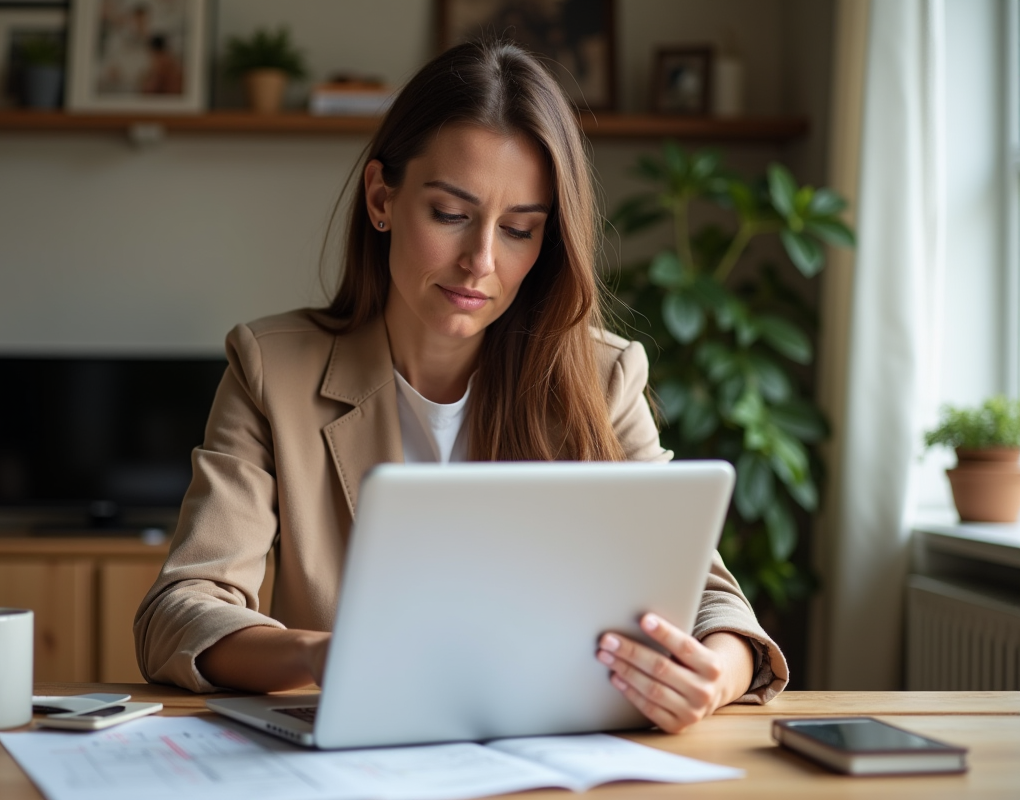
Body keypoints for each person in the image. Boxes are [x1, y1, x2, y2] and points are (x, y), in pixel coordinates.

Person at [134, 39, 789, 734]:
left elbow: (713, 601)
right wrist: (326, 656)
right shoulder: (273, 370)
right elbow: (179, 610)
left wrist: (714, 676)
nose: (480, 262)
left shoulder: (604, 376)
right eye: (450, 215)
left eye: (519, 230)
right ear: (382, 198)